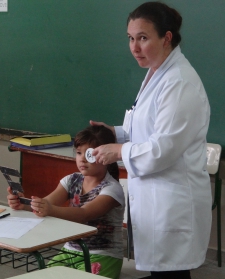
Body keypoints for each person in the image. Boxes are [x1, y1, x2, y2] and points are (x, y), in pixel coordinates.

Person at [90, 2, 211, 279]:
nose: (134, 47)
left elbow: (162, 149)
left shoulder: (178, 81)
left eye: (143, 38)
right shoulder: (157, 72)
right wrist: (114, 133)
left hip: (173, 202)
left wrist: (119, 150)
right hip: (154, 200)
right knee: (162, 273)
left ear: (166, 37)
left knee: (171, 275)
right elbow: (148, 129)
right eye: (131, 38)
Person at [7, 125, 125, 279]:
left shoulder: (112, 189)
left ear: (106, 157)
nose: (82, 159)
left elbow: (84, 214)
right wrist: (24, 204)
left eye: (89, 154)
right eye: (78, 153)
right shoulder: (71, 180)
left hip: (103, 256)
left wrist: (49, 209)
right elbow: (46, 203)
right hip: (70, 251)